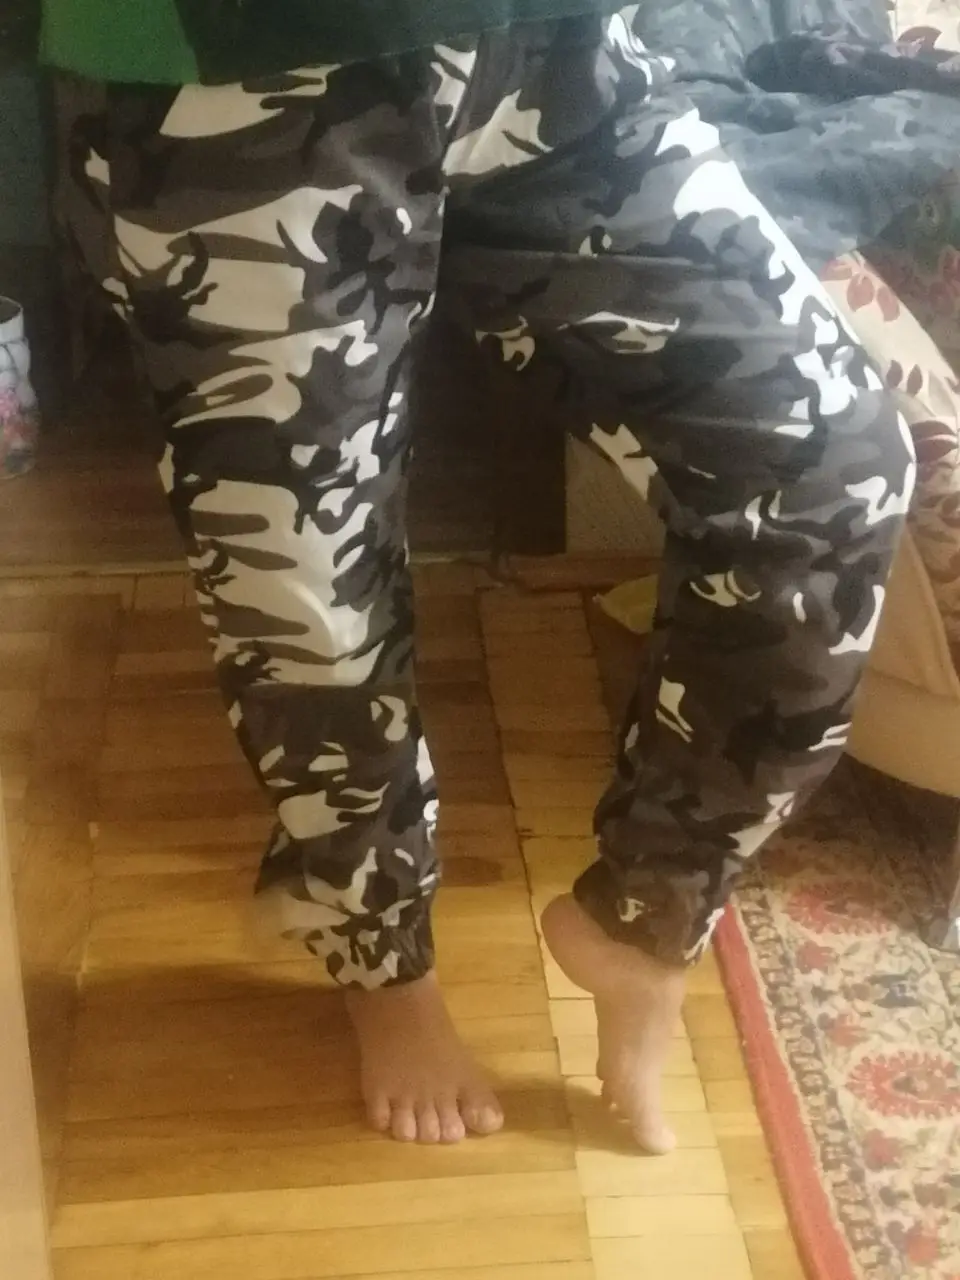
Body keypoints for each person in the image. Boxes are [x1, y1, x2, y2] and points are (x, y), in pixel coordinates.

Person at [42, 0, 914, 1151]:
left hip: (544, 42)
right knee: (306, 598)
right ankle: (383, 965)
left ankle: (646, 917)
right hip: (231, 62)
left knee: (829, 466)